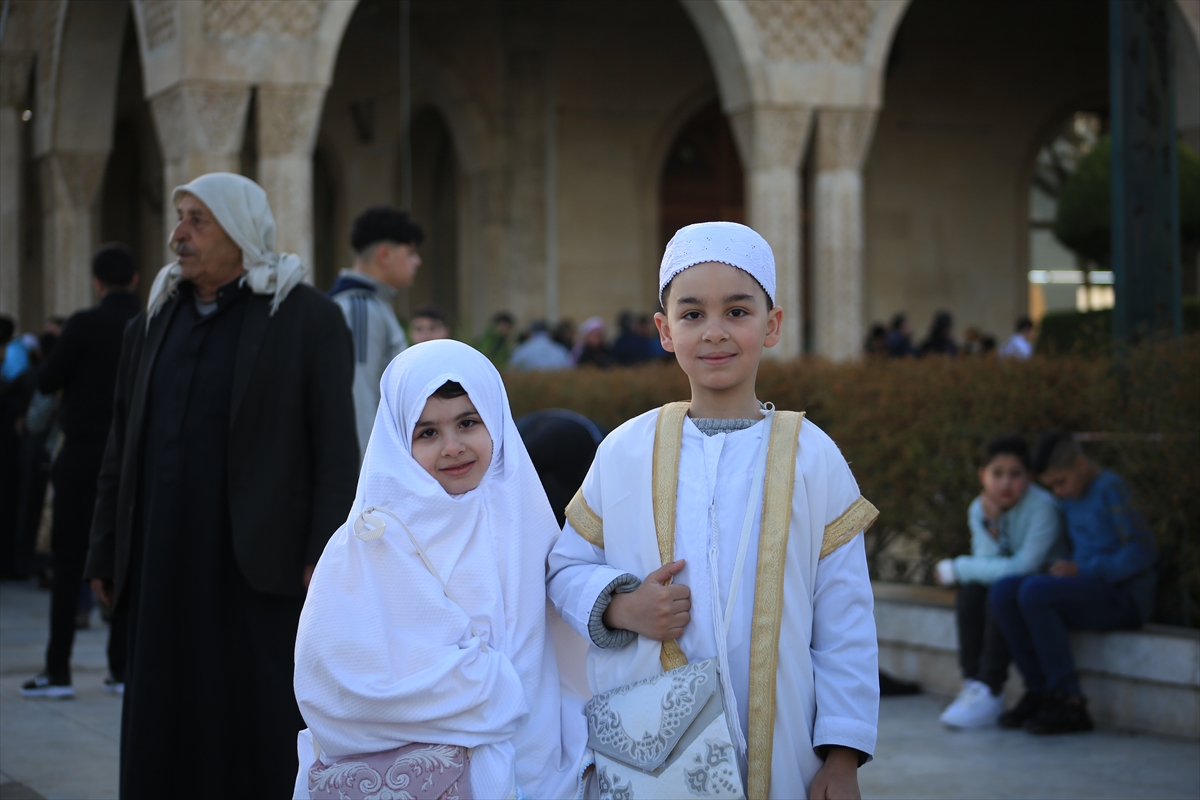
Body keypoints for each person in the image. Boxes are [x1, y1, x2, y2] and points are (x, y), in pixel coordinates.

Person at [547, 221, 879, 799]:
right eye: (693, 314)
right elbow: (565, 570)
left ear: (771, 325)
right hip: (655, 748)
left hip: (788, 749)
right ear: (664, 330)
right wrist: (623, 607)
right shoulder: (625, 451)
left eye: (738, 312)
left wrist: (843, 755)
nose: (715, 333)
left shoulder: (813, 456)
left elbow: (845, 618)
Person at [84, 173, 359, 797]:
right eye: (180, 218)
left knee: (255, 725)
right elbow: (120, 450)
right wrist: (105, 549)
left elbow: (336, 452)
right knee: (164, 719)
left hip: (260, 570)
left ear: (240, 232)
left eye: (197, 220)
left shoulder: (305, 320)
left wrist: (325, 554)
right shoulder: (149, 325)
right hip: (163, 564)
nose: (179, 235)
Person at [293, 340, 591, 800]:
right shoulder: (370, 540)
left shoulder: (524, 521)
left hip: (541, 767)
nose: (452, 447)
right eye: (427, 433)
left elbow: (560, 654)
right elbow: (334, 683)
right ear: (397, 441)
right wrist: (495, 687)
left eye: (468, 423)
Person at [19, 245, 141, 700]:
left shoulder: (85, 325)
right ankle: (122, 668)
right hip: (134, 460)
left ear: (96, 282)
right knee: (130, 559)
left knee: (69, 561)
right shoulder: (150, 322)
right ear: (135, 278)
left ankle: (58, 670)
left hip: (85, 455)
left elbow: (48, 380)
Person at [990, 431, 1157, 735]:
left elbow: (1142, 553)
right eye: (1051, 485)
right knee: (1004, 590)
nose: (1058, 491)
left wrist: (1083, 569)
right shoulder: (1069, 498)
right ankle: (1040, 692)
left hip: (1124, 597)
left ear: (1081, 465)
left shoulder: (1111, 489)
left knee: (1035, 592)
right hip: (1086, 589)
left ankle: (1070, 701)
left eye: (1060, 482)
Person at [932, 435, 1066, 728]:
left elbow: (1024, 567)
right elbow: (987, 566)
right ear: (983, 476)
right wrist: (991, 525)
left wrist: (957, 568)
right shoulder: (980, 509)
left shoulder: (1043, 508)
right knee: (971, 592)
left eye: (1015, 474)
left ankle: (991, 686)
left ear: (1029, 478)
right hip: (1011, 587)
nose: (1005, 483)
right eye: (997, 473)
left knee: (999, 591)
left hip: (1039, 588)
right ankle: (974, 685)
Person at [329, 207, 423, 459]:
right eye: (411, 252)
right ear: (385, 254)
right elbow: (359, 395)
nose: (417, 262)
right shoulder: (360, 309)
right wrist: (370, 480)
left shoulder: (372, 305)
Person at [509, 320, 573, 371]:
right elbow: (569, 370)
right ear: (549, 333)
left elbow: (512, 370)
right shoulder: (561, 350)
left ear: (529, 333)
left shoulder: (519, 350)